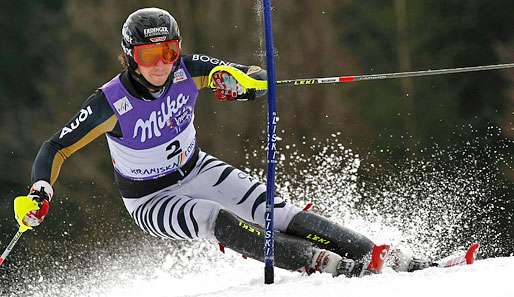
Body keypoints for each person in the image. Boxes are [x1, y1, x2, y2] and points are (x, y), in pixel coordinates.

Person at [13, 7, 428, 277]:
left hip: (198, 168)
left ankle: (377, 255)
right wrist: (40, 191)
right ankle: (323, 265)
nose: (161, 64)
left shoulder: (187, 70)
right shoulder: (111, 102)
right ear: (128, 57)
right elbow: (57, 146)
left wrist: (242, 85)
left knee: (274, 209)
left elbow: (253, 78)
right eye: (148, 55)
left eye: (169, 51)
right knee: (212, 216)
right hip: (150, 199)